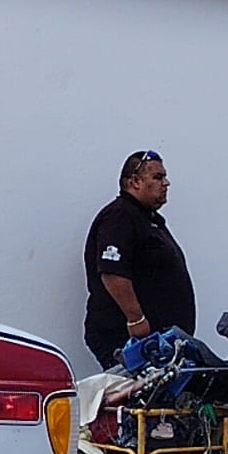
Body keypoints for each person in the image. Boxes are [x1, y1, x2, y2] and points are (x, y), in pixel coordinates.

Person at [83, 150, 197, 370]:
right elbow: (112, 272)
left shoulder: (148, 220)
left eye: (164, 177)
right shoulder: (120, 216)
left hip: (159, 342)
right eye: (158, 177)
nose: (166, 183)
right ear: (134, 181)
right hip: (130, 340)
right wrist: (136, 319)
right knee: (135, 401)